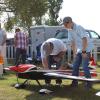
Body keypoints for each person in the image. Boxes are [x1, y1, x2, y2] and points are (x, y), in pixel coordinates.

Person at [62, 16, 94, 89]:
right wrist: (75, 53)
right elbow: (73, 42)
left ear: (70, 22)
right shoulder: (69, 30)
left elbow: (85, 40)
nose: (65, 26)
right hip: (80, 49)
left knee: (85, 66)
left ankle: (89, 84)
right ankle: (74, 83)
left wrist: (84, 51)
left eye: (65, 25)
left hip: (87, 49)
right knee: (75, 66)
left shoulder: (79, 27)